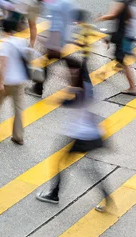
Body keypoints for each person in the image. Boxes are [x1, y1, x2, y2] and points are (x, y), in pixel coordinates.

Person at [36, 62, 114, 212]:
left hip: (80, 136)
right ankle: (107, 198)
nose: (69, 75)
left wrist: (60, 99)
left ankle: (54, 194)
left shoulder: (82, 91)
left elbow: (71, 101)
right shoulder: (87, 88)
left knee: (60, 162)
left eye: (72, 73)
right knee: (91, 169)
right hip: (90, 135)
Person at [30, 0, 76, 97]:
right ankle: (37, 88)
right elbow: (70, 23)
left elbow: (57, 25)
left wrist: (52, 43)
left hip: (56, 40)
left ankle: (38, 89)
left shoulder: (55, 4)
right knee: (50, 62)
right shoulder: (68, 3)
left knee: (47, 63)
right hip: (63, 39)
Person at [0, 19, 30, 144]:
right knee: (18, 110)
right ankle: (18, 136)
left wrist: (1, 83)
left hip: (8, 82)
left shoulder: (4, 45)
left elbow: (4, 66)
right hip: (19, 82)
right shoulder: (22, 42)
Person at [97, 0, 136, 96]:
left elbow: (113, 15)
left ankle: (132, 88)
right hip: (122, 32)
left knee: (122, 60)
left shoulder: (121, 1)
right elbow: (131, 16)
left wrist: (102, 17)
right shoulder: (128, 1)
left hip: (121, 33)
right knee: (116, 56)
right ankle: (104, 74)